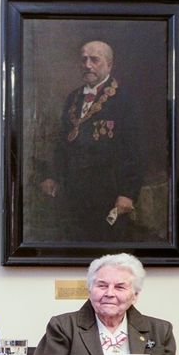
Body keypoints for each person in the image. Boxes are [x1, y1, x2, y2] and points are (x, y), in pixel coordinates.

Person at [37, 40, 146, 242]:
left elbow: (135, 151)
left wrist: (128, 193)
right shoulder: (73, 98)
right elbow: (62, 143)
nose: (87, 65)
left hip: (108, 193)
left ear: (109, 65)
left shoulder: (125, 99)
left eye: (94, 60)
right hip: (72, 194)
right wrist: (52, 176)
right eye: (84, 59)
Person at [32, 253, 178, 355]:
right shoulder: (63, 327)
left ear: (135, 295)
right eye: (102, 286)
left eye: (120, 287)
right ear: (90, 290)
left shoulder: (160, 330)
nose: (109, 293)